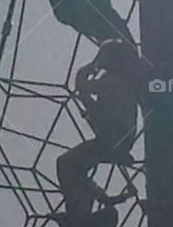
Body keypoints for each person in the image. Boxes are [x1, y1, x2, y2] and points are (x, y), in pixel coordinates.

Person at [57, 43, 141, 208]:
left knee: (66, 163)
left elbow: (82, 85)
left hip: (112, 139)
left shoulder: (111, 81)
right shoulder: (122, 82)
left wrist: (88, 68)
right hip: (118, 138)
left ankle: (80, 208)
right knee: (74, 165)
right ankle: (98, 197)